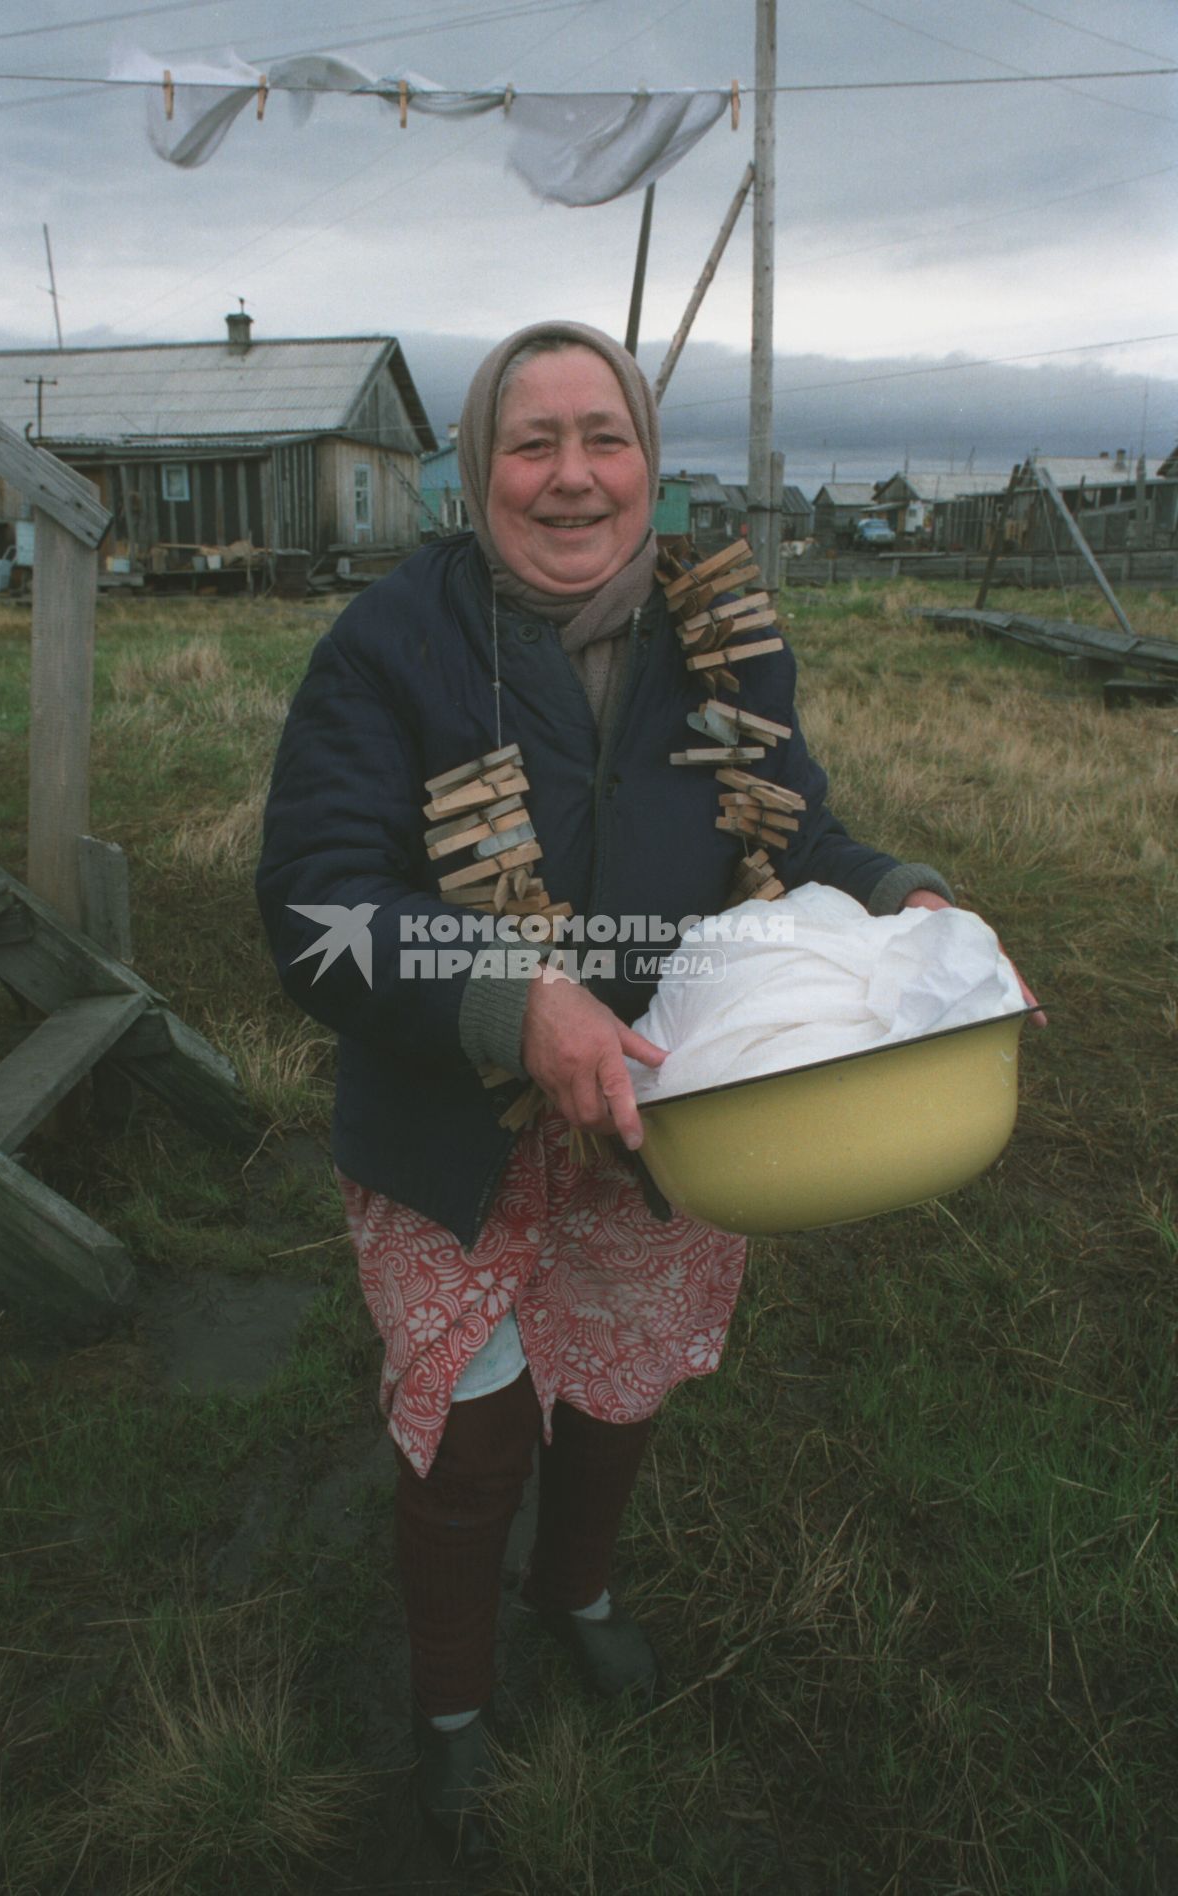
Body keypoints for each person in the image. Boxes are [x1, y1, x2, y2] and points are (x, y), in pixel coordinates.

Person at [256, 319, 1040, 1861]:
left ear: (649, 464)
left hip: (678, 1109)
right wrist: (512, 1002)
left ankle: (580, 1593)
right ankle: (453, 1712)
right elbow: (313, 907)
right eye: (530, 443)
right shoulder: (390, 645)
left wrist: (908, 896)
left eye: (600, 437)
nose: (570, 476)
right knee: (475, 1440)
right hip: (452, 1127)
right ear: (473, 470)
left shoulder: (722, 640)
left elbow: (794, 833)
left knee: (617, 1392)